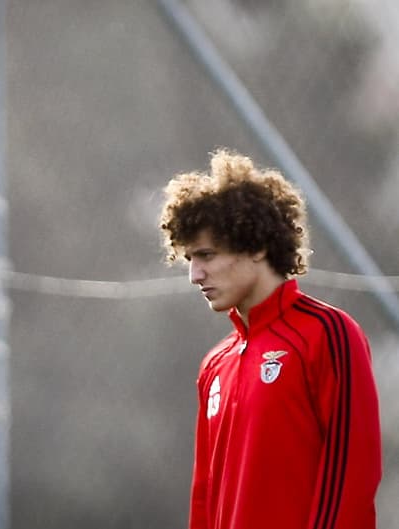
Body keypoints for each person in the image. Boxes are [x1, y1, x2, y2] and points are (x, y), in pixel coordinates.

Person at [159, 149, 381, 529]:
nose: (195, 275)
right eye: (190, 260)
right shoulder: (216, 365)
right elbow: (204, 499)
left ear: (257, 246)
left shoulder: (328, 333)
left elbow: (351, 477)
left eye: (207, 255)